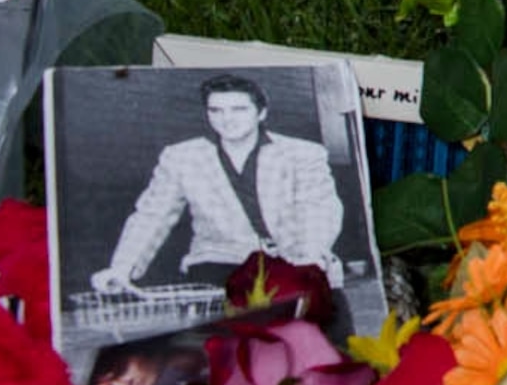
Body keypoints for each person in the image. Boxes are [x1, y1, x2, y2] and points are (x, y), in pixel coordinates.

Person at [90, 74, 343, 293]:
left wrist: (309, 259)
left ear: (261, 112)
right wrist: (121, 269)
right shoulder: (181, 157)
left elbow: (318, 209)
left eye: (239, 109)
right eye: (216, 110)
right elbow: (152, 214)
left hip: (297, 259)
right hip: (218, 263)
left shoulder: (303, 153)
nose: (227, 119)